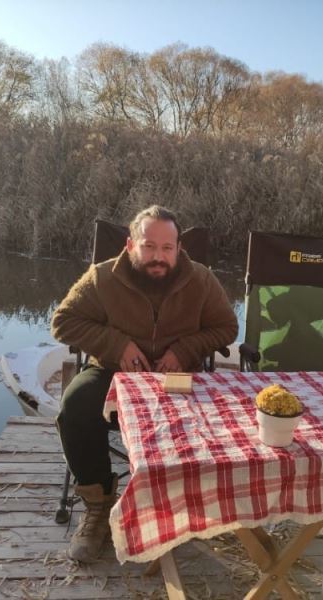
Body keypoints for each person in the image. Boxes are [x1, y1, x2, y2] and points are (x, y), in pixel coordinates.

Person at [50, 205, 238, 562]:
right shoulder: (102, 277)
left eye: (168, 248)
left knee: (218, 416)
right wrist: (117, 345)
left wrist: (185, 350)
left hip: (180, 376)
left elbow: (227, 327)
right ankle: (98, 507)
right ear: (130, 244)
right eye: (149, 246)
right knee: (74, 410)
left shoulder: (201, 278)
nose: (159, 257)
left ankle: (188, 501)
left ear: (179, 248)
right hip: (113, 372)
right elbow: (63, 321)